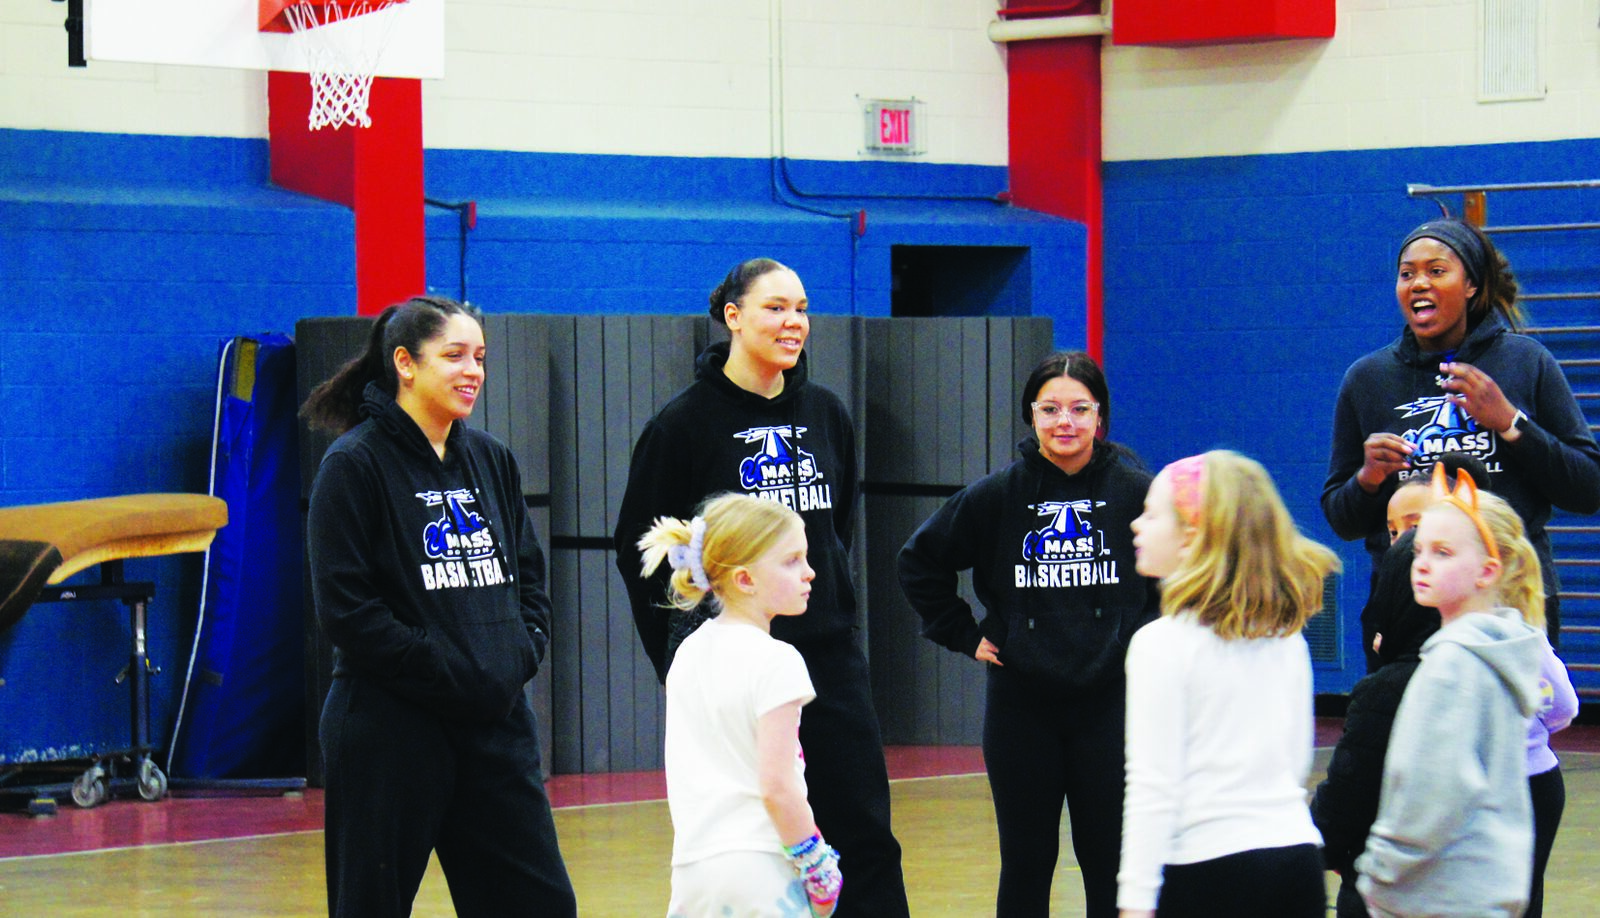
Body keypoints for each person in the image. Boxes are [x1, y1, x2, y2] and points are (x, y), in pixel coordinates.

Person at [613, 258, 910, 917]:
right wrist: (685, 658)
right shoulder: (681, 425)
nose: (793, 322)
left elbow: (835, 531)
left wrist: (819, 604)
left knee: (865, 837)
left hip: (828, 660)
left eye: (801, 308)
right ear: (734, 316)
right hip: (740, 671)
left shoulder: (827, 413)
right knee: (755, 836)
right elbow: (643, 552)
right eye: (775, 307)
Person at [302, 295, 577, 918]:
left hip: (494, 722)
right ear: (405, 363)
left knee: (540, 905)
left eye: (479, 357)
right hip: (391, 728)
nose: (472, 371)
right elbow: (347, 611)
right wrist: (444, 666)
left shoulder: (491, 458)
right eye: (454, 356)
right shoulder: (353, 464)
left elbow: (528, 579)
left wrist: (519, 650)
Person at [896, 350, 1159, 917]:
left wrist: (1144, 639)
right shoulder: (997, 495)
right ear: (1030, 415)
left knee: (1110, 862)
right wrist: (962, 633)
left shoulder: (1139, 493)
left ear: (1100, 415)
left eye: (1080, 409)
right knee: (1027, 861)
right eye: (1050, 409)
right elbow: (918, 561)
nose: (1065, 421)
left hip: (1111, 704)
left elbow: (1180, 576)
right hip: (1022, 708)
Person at [1322, 218, 1600, 647]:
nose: (1419, 283)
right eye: (1407, 274)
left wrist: (1510, 422)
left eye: (1436, 271)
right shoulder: (1367, 379)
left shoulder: (1526, 362)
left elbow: (1588, 489)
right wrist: (1368, 479)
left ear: (1470, 285)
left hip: (1510, 600)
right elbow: (1342, 520)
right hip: (1406, 606)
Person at [1118, 450, 1335, 918]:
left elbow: (1153, 785)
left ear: (1191, 536)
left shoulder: (1160, 644)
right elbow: (1294, 762)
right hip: (1296, 862)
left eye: (1152, 515)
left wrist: (1135, 899)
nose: (1136, 525)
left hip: (1208, 871)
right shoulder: (1287, 636)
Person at [638, 493, 842, 918]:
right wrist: (816, 864)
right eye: (792, 561)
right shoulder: (778, 660)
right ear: (745, 579)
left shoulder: (687, 654)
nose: (809, 572)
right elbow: (777, 786)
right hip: (761, 868)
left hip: (693, 871)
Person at [1356, 467, 1546, 918]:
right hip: (1482, 892)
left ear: (1487, 571)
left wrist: (1381, 871)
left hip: (1439, 896)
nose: (1421, 563)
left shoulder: (1452, 664)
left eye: (1442, 553)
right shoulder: (1500, 650)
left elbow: (1433, 790)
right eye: (1419, 549)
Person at [1311, 453, 1485, 918]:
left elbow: (1347, 801)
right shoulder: (1498, 656)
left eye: (1419, 529)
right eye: (1395, 531)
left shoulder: (1395, 688)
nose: (1407, 545)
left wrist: (1321, 846)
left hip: (1398, 886)